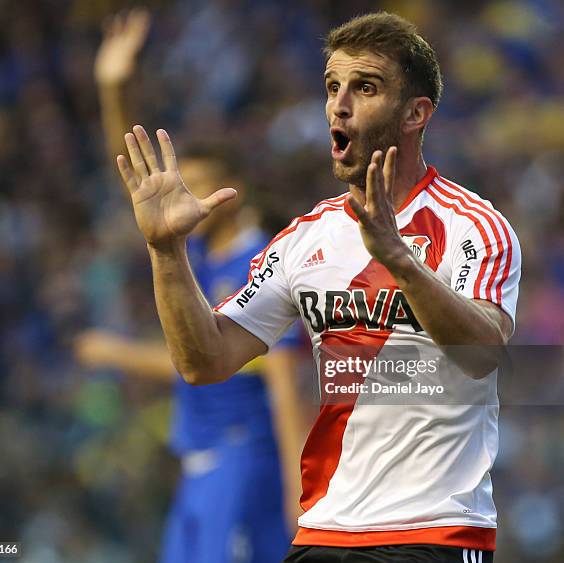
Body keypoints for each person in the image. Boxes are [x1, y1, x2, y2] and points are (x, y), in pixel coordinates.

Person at [116, 11, 522, 563]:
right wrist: (166, 251)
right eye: (333, 87)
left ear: (415, 113)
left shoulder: (473, 227)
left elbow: (484, 355)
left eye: (366, 87)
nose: (340, 103)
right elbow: (203, 361)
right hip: (324, 534)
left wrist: (400, 261)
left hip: (435, 534)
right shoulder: (305, 239)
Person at [76, 10, 306, 563]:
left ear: (235, 192)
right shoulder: (198, 252)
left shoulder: (265, 260)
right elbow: (140, 183)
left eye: (197, 188)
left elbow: (285, 372)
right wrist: (114, 88)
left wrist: (299, 482)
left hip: (245, 457)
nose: (183, 201)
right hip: (200, 464)